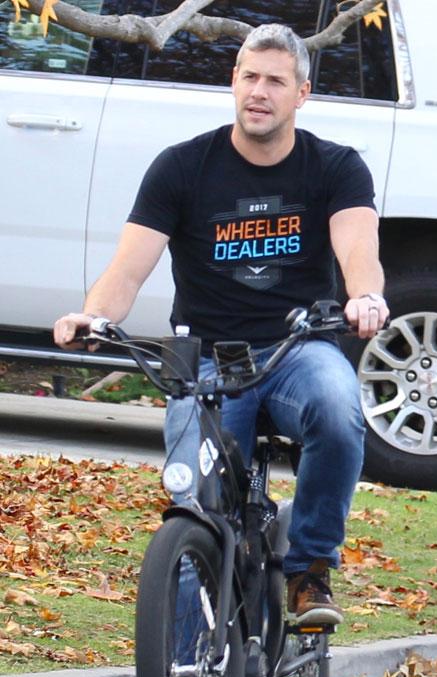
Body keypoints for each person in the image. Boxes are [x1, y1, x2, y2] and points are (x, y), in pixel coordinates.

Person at [53, 23, 388, 627]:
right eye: (249, 77)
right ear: (233, 81)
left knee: (339, 412)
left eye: (275, 81)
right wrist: (94, 315)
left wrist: (366, 297)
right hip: (205, 360)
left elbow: (358, 250)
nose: (259, 92)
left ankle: (309, 567)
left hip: (296, 351)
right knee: (194, 518)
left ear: (302, 93)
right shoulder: (182, 167)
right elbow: (126, 271)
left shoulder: (335, 168)